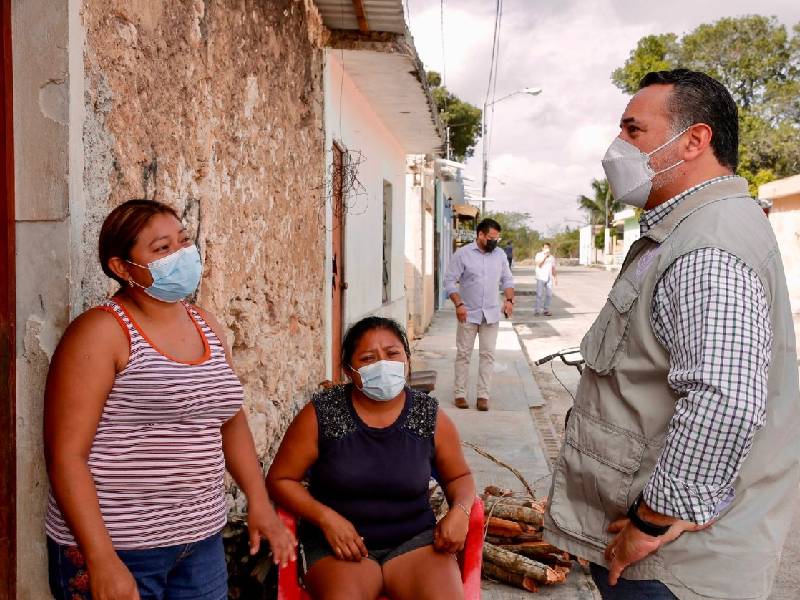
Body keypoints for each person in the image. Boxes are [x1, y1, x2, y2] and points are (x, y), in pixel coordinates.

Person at [543, 69, 800, 600]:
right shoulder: (685, 231)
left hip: (675, 568)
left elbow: (724, 399)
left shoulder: (709, 243)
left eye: (633, 130)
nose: (617, 148)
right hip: (661, 561)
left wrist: (653, 522)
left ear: (694, 141)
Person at [44, 199, 295, 600]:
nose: (180, 254)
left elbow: (229, 419)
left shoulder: (205, 323)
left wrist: (258, 500)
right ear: (122, 268)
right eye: (162, 249)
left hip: (200, 541)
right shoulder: (100, 333)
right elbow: (66, 456)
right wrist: (101, 557)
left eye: (184, 241)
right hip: (120, 547)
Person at [266, 316, 475, 600]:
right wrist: (326, 519)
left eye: (392, 354)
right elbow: (280, 479)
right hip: (339, 548)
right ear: (349, 370)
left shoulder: (429, 415)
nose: (382, 364)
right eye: (368, 358)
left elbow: (459, 476)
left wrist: (461, 511)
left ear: (407, 359)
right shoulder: (321, 415)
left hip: (416, 543)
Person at [444, 218, 514, 412]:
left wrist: (509, 301)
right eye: (491, 238)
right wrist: (458, 304)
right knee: (464, 354)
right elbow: (450, 282)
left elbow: (507, 280)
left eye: (497, 238)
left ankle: (483, 396)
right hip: (468, 313)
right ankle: (460, 393)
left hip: (491, 314)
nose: (494, 241)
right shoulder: (463, 254)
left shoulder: (499, 255)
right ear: (480, 235)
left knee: (488, 355)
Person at [533, 243, 557, 316]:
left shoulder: (552, 257)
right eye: (545, 247)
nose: (547, 249)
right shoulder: (538, 255)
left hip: (549, 277)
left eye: (548, 247)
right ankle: (537, 311)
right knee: (539, 294)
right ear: (542, 248)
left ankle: (546, 310)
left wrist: (555, 278)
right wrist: (545, 257)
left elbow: (553, 268)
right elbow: (539, 265)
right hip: (540, 277)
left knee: (549, 295)